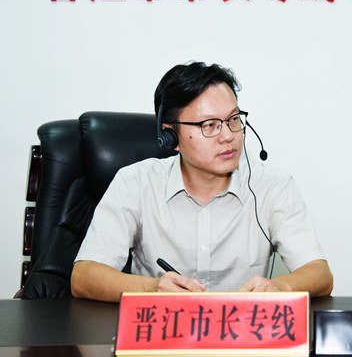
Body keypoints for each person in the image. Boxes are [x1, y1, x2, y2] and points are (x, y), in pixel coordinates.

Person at [71, 62, 333, 302]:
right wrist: (152, 288)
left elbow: (320, 274)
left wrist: (279, 287)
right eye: (209, 125)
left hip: (241, 333)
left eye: (233, 120)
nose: (228, 136)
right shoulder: (136, 183)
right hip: (164, 332)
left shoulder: (272, 187)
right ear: (171, 136)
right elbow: (84, 277)